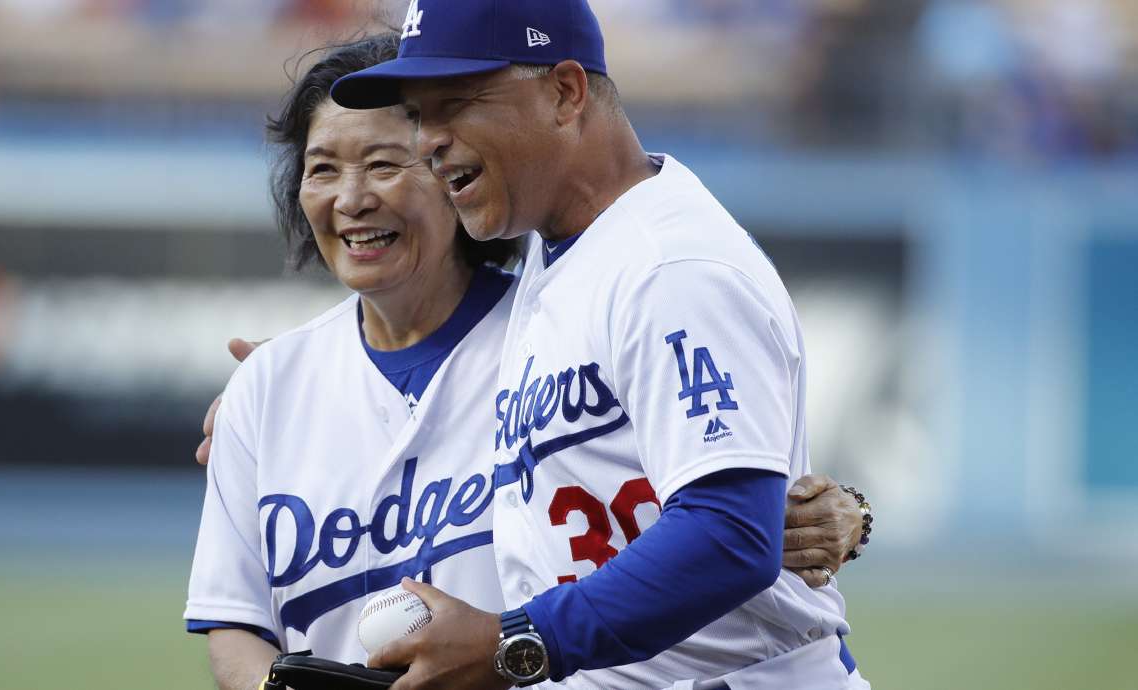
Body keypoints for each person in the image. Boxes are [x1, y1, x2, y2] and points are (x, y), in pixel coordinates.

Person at [186, 30, 866, 690]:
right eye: (323, 167)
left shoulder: (651, 268)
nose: (355, 195)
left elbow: (724, 526)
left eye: (388, 160)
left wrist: (513, 645)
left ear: (565, 93)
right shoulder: (559, 270)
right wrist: (280, 383)